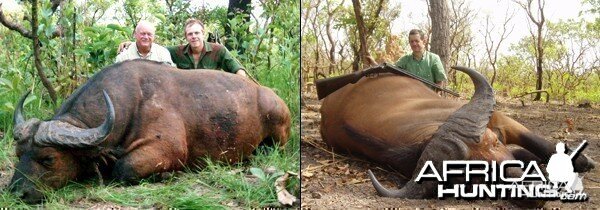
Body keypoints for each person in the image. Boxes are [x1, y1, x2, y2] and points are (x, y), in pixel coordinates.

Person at [118, 19, 247, 77]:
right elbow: (152, 47)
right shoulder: (176, 51)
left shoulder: (218, 50)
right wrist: (134, 43)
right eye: (190, 34)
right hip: (187, 97)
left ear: (203, 33)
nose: (194, 37)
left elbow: (238, 70)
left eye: (197, 33)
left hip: (211, 93)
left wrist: (242, 86)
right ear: (186, 37)